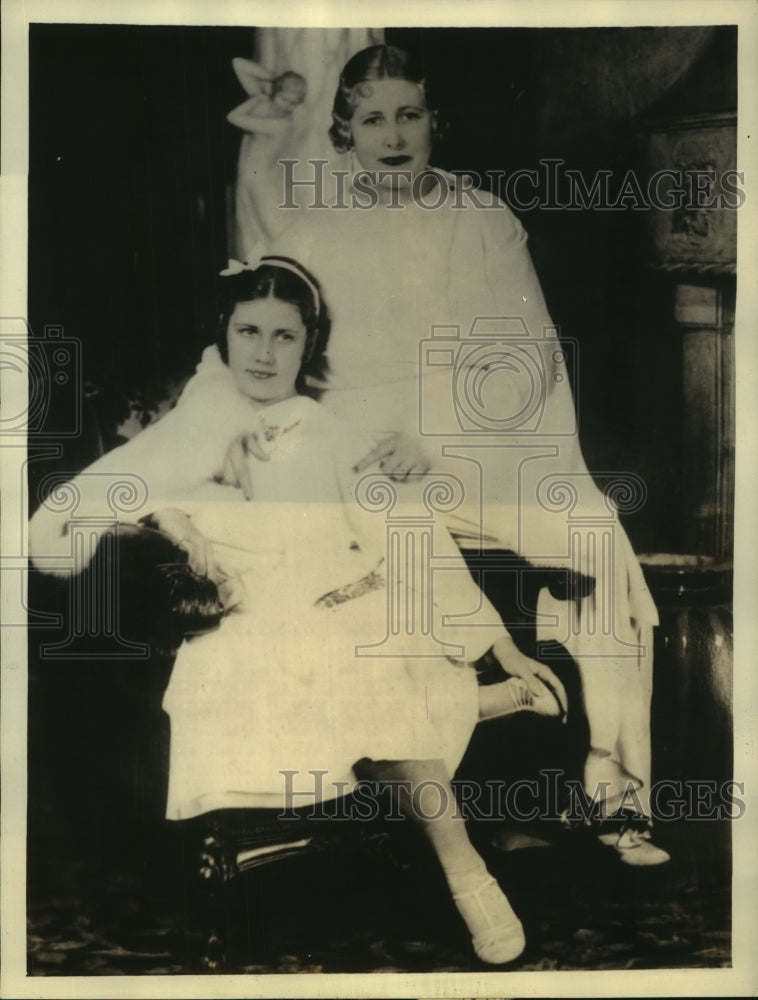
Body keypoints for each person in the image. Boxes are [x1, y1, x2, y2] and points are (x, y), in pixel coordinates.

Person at [185, 44, 668, 865]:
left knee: (590, 529)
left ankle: (614, 788)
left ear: (434, 121)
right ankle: (420, 782)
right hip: (355, 449)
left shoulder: (482, 221)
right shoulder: (313, 229)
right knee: (373, 527)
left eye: (409, 114)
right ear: (346, 131)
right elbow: (264, 337)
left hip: (473, 445)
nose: (394, 134)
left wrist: (436, 440)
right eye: (372, 119)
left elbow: (524, 359)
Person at [29, 256, 569, 965]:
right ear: (222, 335)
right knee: (357, 674)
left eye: (284, 336)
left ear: (308, 344)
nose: (263, 351)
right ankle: (472, 756)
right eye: (248, 330)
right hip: (247, 625)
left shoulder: (324, 425)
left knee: (367, 660)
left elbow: (407, 534)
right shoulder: (191, 428)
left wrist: (499, 642)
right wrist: (165, 516)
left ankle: (468, 837)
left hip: (351, 604)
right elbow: (53, 530)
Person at [227, 59, 308, 256]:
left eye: (293, 103)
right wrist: (276, 80)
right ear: (275, 92)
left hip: (262, 182)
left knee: (276, 233)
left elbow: (233, 117)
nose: (287, 106)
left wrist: (258, 99)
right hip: (251, 179)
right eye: (284, 99)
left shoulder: (280, 124)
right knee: (258, 235)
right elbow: (238, 64)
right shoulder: (266, 105)